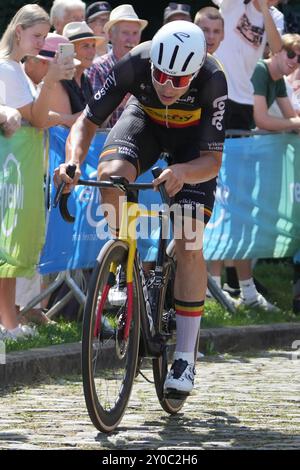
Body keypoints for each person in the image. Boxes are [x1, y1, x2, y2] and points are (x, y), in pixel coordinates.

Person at [55, 21, 228, 395]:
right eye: (161, 74)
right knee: (111, 174)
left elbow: (211, 162)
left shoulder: (214, 79)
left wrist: (183, 171)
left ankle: (184, 355)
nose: (167, 84)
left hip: (191, 147)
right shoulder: (135, 62)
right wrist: (71, 162)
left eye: (178, 80)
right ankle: (122, 270)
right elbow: (87, 121)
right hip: (144, 124)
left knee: (188, 238)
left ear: (195, 71)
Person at [0, 4, 75, 341]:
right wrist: (51, 80)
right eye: (37, 36)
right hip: (11, 173)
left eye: (45, 37)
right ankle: (7, 325)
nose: (41, 43)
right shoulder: (7, 69)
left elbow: (39, 117)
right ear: (18, 32)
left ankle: (9, 322)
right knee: (6, 249)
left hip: (21, 173)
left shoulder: (14, 69)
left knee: (11, 251)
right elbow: (38, 118)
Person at [210, 0, 283, 311]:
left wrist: (264, 9)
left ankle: (246, 290)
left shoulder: (274, 15)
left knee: (238, 199)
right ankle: (213, 285)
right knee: (211, 192)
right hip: (216, 93)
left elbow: (278, 51)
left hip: (243, 108)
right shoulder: (232, 4)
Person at [87, 4, 148, 129]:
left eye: (135, 33)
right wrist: (116, 101)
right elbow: (93, 122)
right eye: (125, 33)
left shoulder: (149, 68)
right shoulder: (97, 69)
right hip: (108, 145)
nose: (131, 40)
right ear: (110, 35)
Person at [48, 22, 102, 119]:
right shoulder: (59, 81)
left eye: (93, 46)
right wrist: (100, 109)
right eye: (85, 46)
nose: (92, 52)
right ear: (69, 50)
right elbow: (65, 126)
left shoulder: (85, 79)